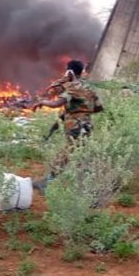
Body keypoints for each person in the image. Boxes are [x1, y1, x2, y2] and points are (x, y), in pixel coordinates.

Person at [31, 59, 103, 190]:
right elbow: (98, 108)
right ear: (82, 72)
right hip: (87, 124)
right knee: (79, 153)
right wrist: (79, 109)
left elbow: (55, 102)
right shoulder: (88, 88)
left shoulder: (72, 87)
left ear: (69, 71)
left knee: (67, 153)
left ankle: (49, 182)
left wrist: (42, 102)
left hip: (75, 126)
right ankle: (89, 183)